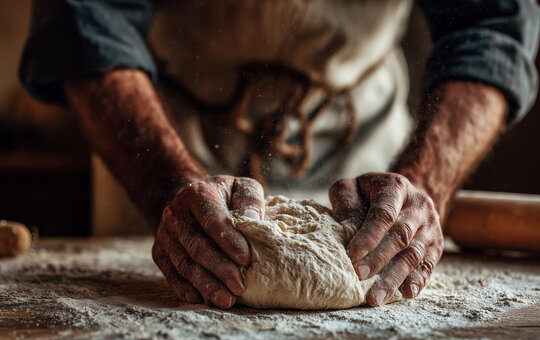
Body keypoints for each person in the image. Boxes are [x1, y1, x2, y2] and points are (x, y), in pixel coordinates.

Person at [19, 0, 539, 308]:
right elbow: (83, 17)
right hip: (165, 140)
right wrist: (168, 183)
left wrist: (426, 177)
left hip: (363, 143)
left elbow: (490, 24)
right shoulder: (166, 175)